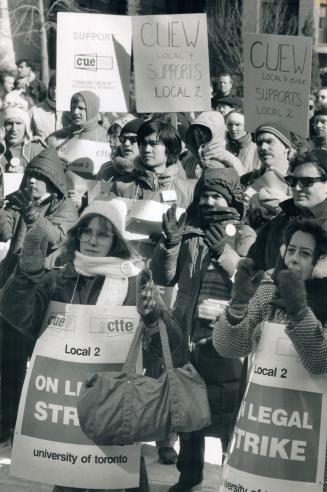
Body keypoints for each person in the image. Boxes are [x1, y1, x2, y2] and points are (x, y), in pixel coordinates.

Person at [0, 197, 183, 492]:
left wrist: (152, 319)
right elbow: (21, 318)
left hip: (117, 409)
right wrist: (28, 275)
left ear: (116, 241)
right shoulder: (61, 278)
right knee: (71, 479)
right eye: (86, 231)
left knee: (122, 478)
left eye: (102, 233)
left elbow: (169, 345)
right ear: (76, 235)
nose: (92, 240)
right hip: (68, 408)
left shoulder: (136, 280)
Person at [151, 167, 256, 491]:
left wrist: (224, 253)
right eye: (205, 196)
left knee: (228, 410)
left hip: (227, 335)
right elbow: (164, 276)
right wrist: (170, 243)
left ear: (232, 201)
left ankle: (232, 474)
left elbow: (252, 282)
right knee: (189, 408)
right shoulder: (189, 231)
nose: (210, 202)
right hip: (189, 333)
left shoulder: (245, 235)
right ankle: (189, 473)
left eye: (218, 196)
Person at [212, 219, 327, 491]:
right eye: (291, 250)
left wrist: (298, 308)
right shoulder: (268, 288)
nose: (294, 259)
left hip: (313, 437)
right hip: (265, 431)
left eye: (305, 253)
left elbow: (320, 361)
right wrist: (238, 306)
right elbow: (229, 347)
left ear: (321, 262)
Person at [0, 147, 77, 289]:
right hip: (10, 274)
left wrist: (31, 213)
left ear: (52, 180)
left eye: (39, 176)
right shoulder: (19, 199)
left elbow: (56, 240)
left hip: (41, 280)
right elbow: (4, 234)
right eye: (30, 175)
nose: (32, 180)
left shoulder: (65, 205)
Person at [247, 149, 327, 271]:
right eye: (292, 181)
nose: (297, 187)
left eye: (306, 182)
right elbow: (250, 269)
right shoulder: (276, 224)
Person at [112, 119, 194, 208]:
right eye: (143, 143)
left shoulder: (188, 190)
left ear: (169, 147)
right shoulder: (122, 186)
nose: (146, 149)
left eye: (153, 144)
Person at [242, 121, 293, 230]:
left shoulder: (302, 180)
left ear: (286, 148)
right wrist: (262, 214)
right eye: (259, 143)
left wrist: (286, 206)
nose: (263, 147)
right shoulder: (246, 180)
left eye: (270, 142)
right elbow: (239, 219)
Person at [182, 111, 246, 178]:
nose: (200, 134)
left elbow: (241, 186)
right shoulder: (187, 161)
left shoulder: (232, 162)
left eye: (206, 131)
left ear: (217, 132)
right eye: (197, 130)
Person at [0, 105, 46, 172]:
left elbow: (48, 178)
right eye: (9, 123)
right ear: (2, 126)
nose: (14, 129)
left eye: (18, 123)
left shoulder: (38, 151)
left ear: (26, 127)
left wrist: (26, 173)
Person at [31, 73, 67, 140]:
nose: (55, 91)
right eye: (53, 88)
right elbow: (28, 137)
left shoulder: (71, 111)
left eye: (59, 88)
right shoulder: (35, 111)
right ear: (49, 88)